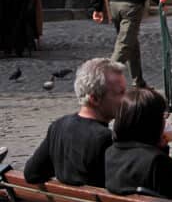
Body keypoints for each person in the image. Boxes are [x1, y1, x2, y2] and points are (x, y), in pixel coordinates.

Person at [24, 58, 127, 187]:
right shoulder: (104, 139)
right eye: (121, 93)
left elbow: (32, 174)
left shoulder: (58, 126)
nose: (126, 99)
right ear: (94, 99)